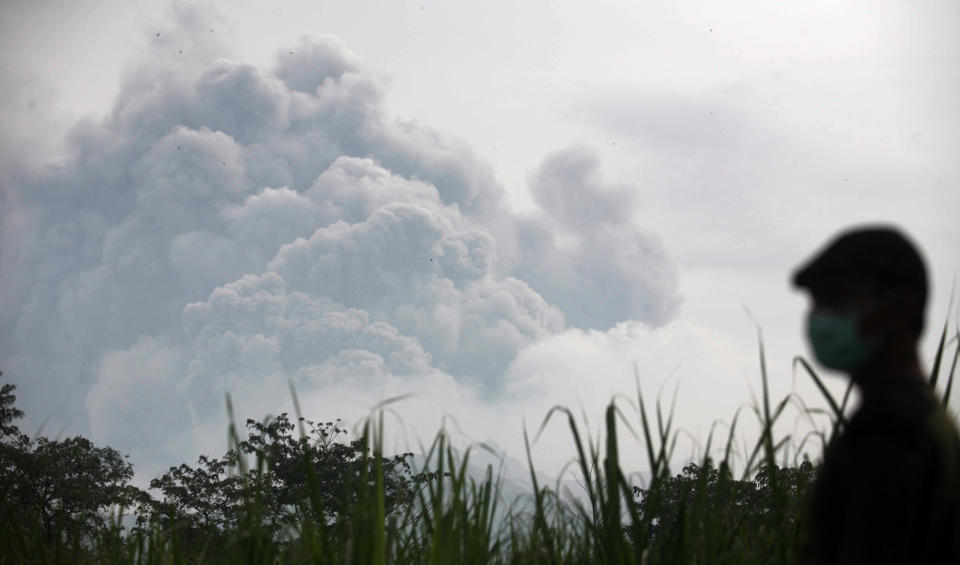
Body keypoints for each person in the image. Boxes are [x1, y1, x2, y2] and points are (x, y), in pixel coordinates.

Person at [792, 225, 960, 565]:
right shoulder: (929, 418)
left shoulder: (888, 428)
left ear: (900, 307)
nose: (820, 319)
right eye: (817, 304)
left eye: (837, 299)